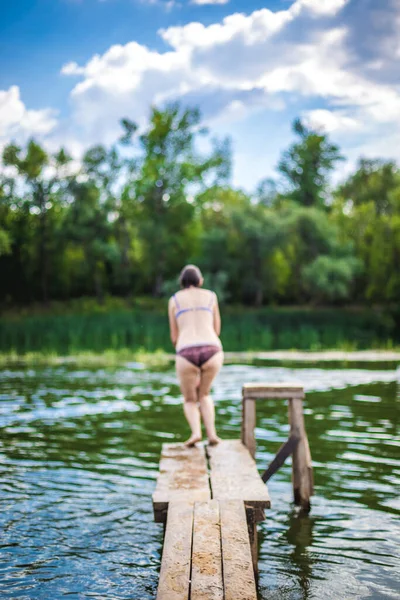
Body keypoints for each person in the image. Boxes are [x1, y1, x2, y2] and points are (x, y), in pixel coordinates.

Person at [168, 264, 224, 447]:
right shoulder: (211, 296)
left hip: (186, 351)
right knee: (205, 394)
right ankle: (213, 435)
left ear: (181, 282)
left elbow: (175, 337)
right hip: (212, 349)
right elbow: (216, 329)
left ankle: (195, 433)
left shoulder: (174, 300)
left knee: (190, 399)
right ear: (200, 281)